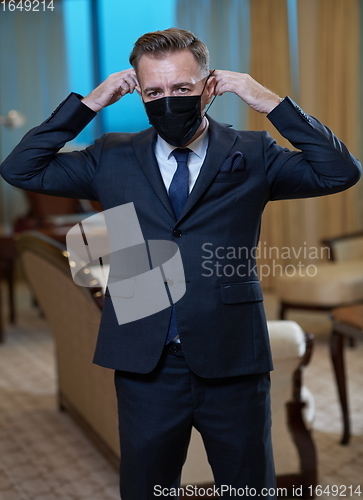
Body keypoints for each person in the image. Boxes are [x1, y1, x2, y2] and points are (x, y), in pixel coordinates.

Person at [1, 28, 361, 500]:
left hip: (233, 357)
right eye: (155, 91)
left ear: (209, 86)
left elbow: (340, 170)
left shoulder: (252, 153)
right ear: (140, 91)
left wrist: (267, 101)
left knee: (249, 489)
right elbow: (19, 168)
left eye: (181, 88)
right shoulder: (112, 156)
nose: (167, 100)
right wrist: (88, 104)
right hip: (145, 361)